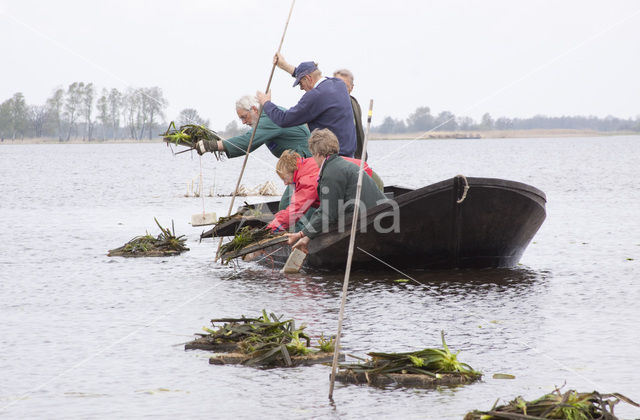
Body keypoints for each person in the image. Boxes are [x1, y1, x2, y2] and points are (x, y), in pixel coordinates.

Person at [287, 129, 387, 253]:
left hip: (368, 219)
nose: (313, 158)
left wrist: (301, 234)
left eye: (312, 154)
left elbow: (328, 214)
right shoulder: (340, 164)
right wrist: (307, 236)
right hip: (378, 212)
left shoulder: (331, 173)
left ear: (318, 153)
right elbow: (329, 208)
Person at [256, 54, 357, 158]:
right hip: (350, 156)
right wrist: (284, 65)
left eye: (300, 83)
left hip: (332, 159)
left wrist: (266, 103)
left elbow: (283, 119)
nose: (301, 88)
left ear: (308, 78)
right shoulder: (338, 84)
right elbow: (307, 73)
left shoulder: (314, 96)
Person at [266, 148, 375, 233]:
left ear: (292, 170)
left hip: (365, 180)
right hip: (364, 174)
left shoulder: (307, 179)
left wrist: (270, 228)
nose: (285, 183)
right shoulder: (306, 165)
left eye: (284, 178)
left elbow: (295, 211)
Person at [196, 95, 310, 159]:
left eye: (244, 117)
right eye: (241, 119)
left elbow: (248, 141)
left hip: (306, 162)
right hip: (298, 165)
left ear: (254, 110)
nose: (243, 122)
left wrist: (212, 145)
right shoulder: (265, 118)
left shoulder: (269, 118)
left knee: (289, 202)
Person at [333, 69, 366, 160]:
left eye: (345, 86)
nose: (341, 90)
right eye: (338, 85)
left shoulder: (355, 104)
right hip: (332, 157)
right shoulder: (325, 104)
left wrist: (362, 157)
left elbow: (359, 132)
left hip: (353, 157)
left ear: (352, 87)